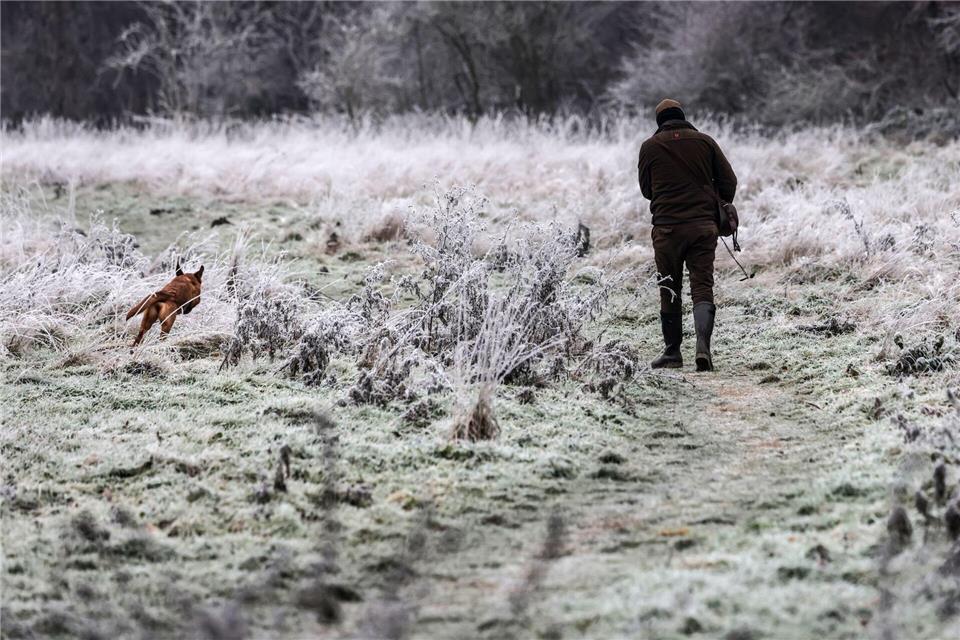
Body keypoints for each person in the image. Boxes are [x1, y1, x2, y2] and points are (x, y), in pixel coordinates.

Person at [638, 99, 737, 371]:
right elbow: (729, 181)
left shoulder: (650, 147)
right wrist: (714, 206)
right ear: (682, 116)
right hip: (702, 228)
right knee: (702, 285)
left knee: (670, 287)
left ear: (660, 122)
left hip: (667, 229)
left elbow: (647, 190)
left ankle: (672, 353)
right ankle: (703, 348)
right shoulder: (705, 142)